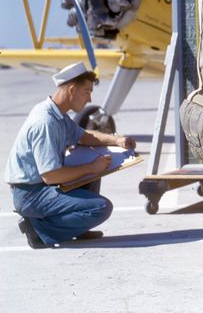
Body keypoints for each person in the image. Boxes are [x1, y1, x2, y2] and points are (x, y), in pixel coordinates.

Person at [5, 62, 136, 248]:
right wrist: (90, 168)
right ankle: (39, 230)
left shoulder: (56, 114)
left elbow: (83, 136)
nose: (89, 99)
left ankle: (77, 228)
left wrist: (117, 141)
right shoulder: (46, 122)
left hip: (38, 188)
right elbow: (50, 175)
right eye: (87, 92)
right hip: (31, 194)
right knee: (101, 208)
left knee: (94, 169)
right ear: (72, 90)